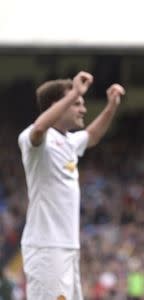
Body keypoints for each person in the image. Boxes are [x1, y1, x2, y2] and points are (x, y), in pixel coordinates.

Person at [18, 71, 125, 300]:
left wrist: (111, 106)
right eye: (77, 103)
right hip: (46, 248)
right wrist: (75, 90)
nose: (83, 109)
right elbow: (38, 129)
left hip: (67, 247)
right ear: (57, 105)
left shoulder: (68, 141)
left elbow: (92, 136)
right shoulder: (34, 140)